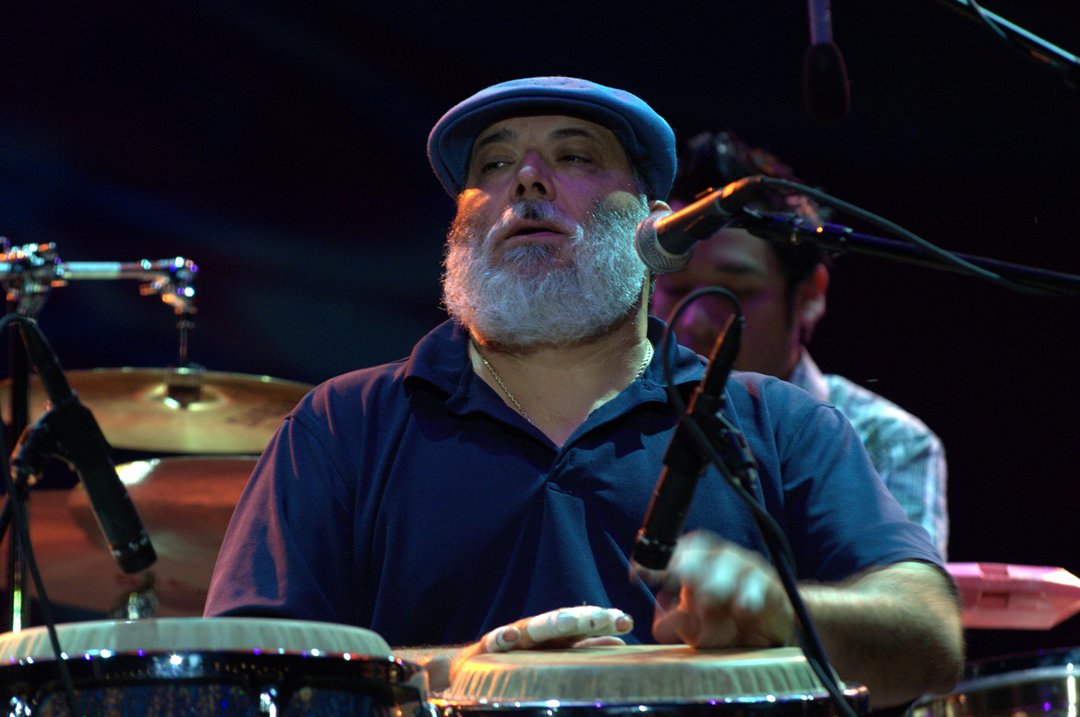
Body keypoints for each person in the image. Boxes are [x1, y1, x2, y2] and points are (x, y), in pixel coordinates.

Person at [204, 76, 962, 708]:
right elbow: (239, 685)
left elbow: (930, 640)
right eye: (492, 166)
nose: (526, 179)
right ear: (461, 225)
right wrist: (463, 669)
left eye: (574, 156)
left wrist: (786, 611)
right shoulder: (343, 425)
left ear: (655, 229)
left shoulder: (782, 422)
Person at [651, 131, 949, 558]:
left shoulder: (886, 439)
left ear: (810, 294)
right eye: (677, 289)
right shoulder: (629, 421)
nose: (697, 321)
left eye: (733, 291)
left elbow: (906, 615)